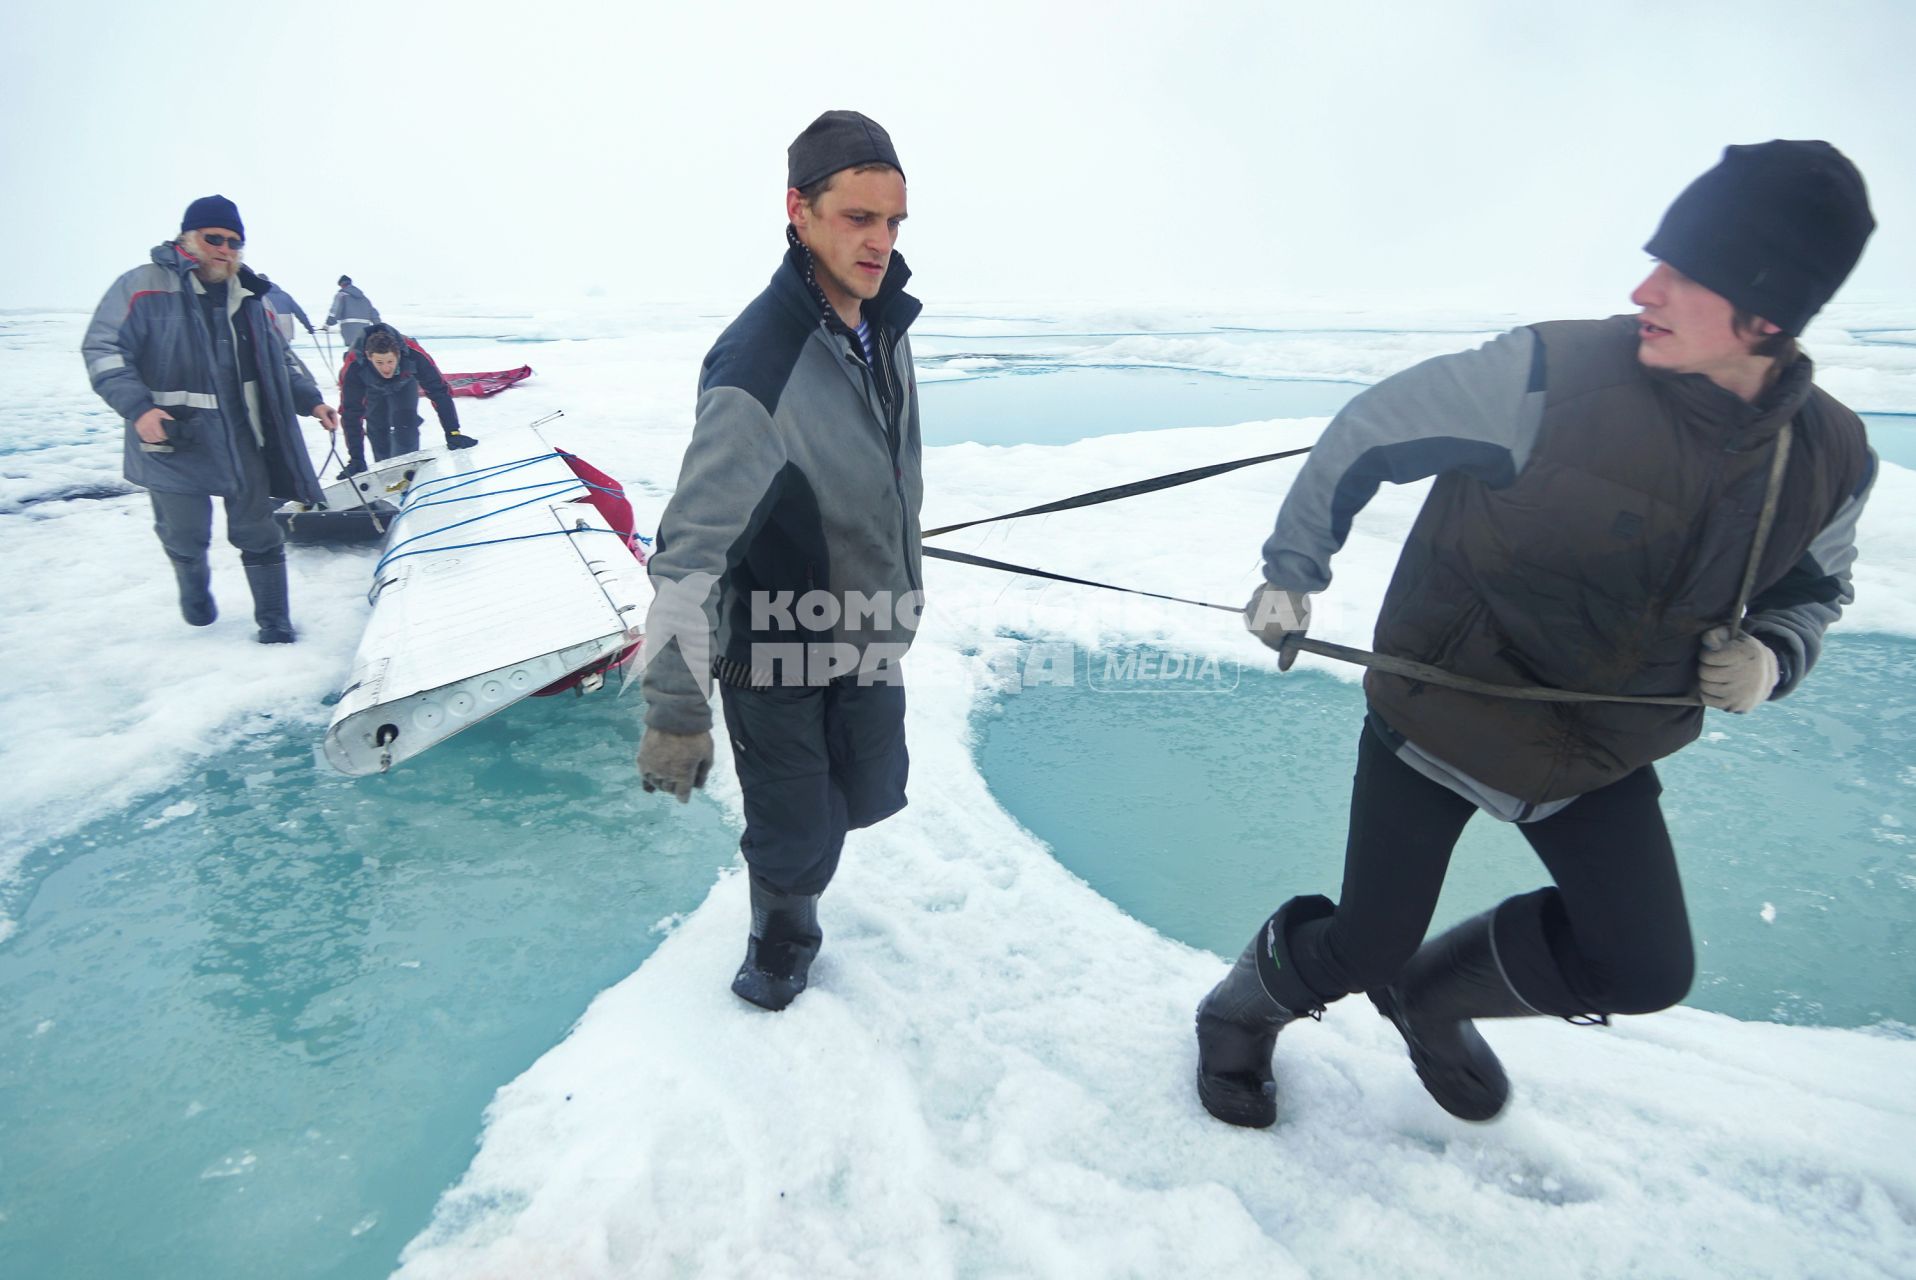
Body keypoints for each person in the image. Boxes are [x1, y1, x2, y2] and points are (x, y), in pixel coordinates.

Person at [1196, 141, 1878, 1129]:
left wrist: (1774, 655)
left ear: (1763, 316)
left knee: (1645, 964)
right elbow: (1368, 429)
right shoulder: (1547, 372)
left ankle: (1430, 999)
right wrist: (1290, 574)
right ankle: (1235, 1013)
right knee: (1364, 942)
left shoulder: (1830, 457)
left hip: (1594, 752)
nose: (1644, 288)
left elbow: (1814, 590)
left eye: (1683, 276)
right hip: (1434, 719)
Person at [635, 110, 924, 1011]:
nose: (878, 242)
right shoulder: (759, 363)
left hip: (867, 629)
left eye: (893, 223)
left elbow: (875, 469)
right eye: (857, 218)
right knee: (795, 832)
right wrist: (677, 712)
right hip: (774, 646)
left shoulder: (885, 328)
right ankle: (781, 934)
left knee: (865, 791)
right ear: (798, 209)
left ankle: (798, 880)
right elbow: (687, 555)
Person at [83, 195, 342, 643]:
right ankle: (195, 592)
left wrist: (312, 401)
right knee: (184, 534)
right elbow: (103, 350)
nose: (225, 249)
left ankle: (274, 620)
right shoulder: (141, 286)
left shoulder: (252, 296)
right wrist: (139, 408)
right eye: (215, 238)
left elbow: (282, 359)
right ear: (188, 237)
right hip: (173, 440)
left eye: (235, 242)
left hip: (245, 437)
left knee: (259, 530)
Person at [336, 322, 478, 474]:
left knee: (406, 423)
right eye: (379, 362)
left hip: (404, 382)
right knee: (377, 429)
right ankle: (385, 472)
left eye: (390, 361)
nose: (386, 368)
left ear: (398, 354)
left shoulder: (414, 354)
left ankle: (408, 469)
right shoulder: (354, 366)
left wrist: (453, 432)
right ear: (369, 357)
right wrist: (356, 458)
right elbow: (350, 414)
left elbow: (439, 391)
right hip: (371, 388)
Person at [325, 274, 380, 353]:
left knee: (353, 355)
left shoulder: (341, 295)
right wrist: (378, 327)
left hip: (349, 332)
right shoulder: (364, 299)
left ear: (341, 285)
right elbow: (374, 315)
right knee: (363, 353)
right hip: (365, 332)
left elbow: (335, 311)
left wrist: (328, 324)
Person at [264, 280, 316, 346]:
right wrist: (309, 327)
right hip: (286, 328)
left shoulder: (261, 296)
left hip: (269, 327)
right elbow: (299, 312)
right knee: (285, 352)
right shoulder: (285, 295)